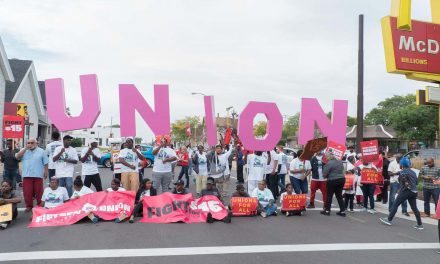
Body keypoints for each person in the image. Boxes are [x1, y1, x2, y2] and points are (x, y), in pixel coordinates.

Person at [380, 158, 423, 230]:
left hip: (406, 191)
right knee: (414, 208)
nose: (399, 164)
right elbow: (416, 183)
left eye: (400, 163)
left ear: (402, 164)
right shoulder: (413, 172)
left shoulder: (402, 172)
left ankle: (389, 220)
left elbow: (402, 182)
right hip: (414, 192)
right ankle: (420, 224)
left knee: (395, 204)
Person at [15, 138, 49, 211]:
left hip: (38, 174)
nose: (30, 144)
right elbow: (17, 157)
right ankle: (29, 206)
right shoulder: (24, 151)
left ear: (36, 143)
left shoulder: (42, 151)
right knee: (27, 192)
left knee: (39, 191)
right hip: (27, 175)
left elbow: (46, 162)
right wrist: (25, 149)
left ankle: (40, 204)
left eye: (32, 142)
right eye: (28, 142)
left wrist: (46, 171)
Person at [321, 152, 346, 217]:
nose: (325, 158)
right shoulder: (339, 161)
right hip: (341, 179)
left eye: (326, 157)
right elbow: (343, 170)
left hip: (332, 180)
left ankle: (327, 210)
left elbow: (324, 174)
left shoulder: (329, 163)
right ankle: (342, 211)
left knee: (329, 196)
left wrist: (326, 174)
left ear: (328, 157)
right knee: (339, 196)